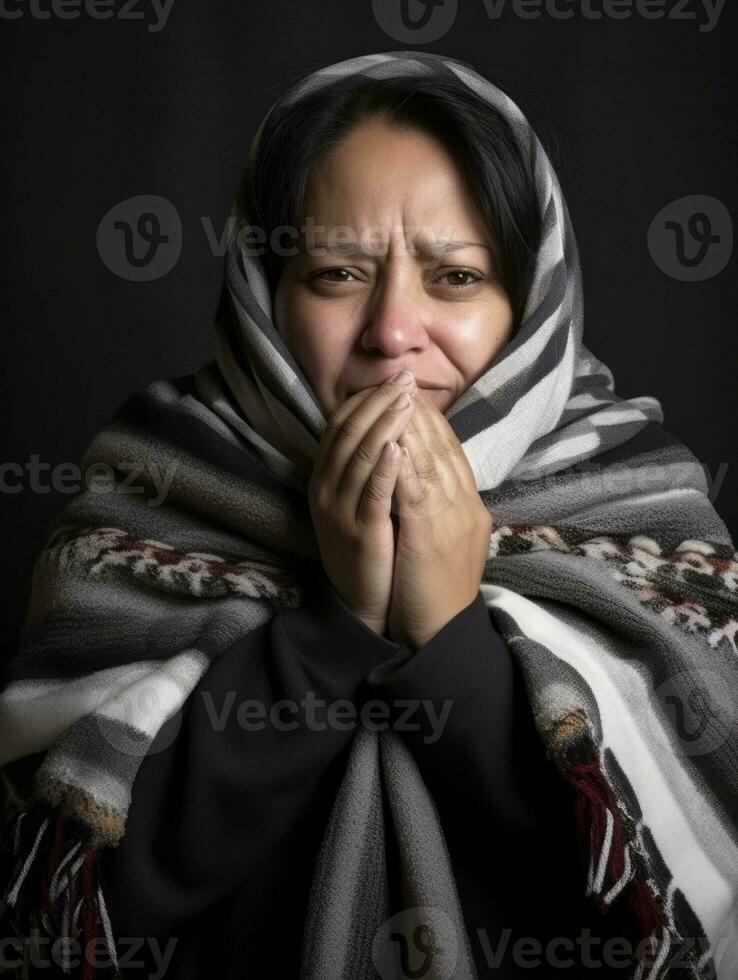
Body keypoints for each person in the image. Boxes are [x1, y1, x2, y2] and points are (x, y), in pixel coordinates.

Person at [1, 51, 736, 980]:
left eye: (457, 279)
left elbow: (647, 917)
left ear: (534, 306)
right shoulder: (151, 490)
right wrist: (335, 629)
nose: (393, 331)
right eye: (338, 273)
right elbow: (85, 908)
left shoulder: (638, 507)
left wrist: (450, 633)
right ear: (265, 299)